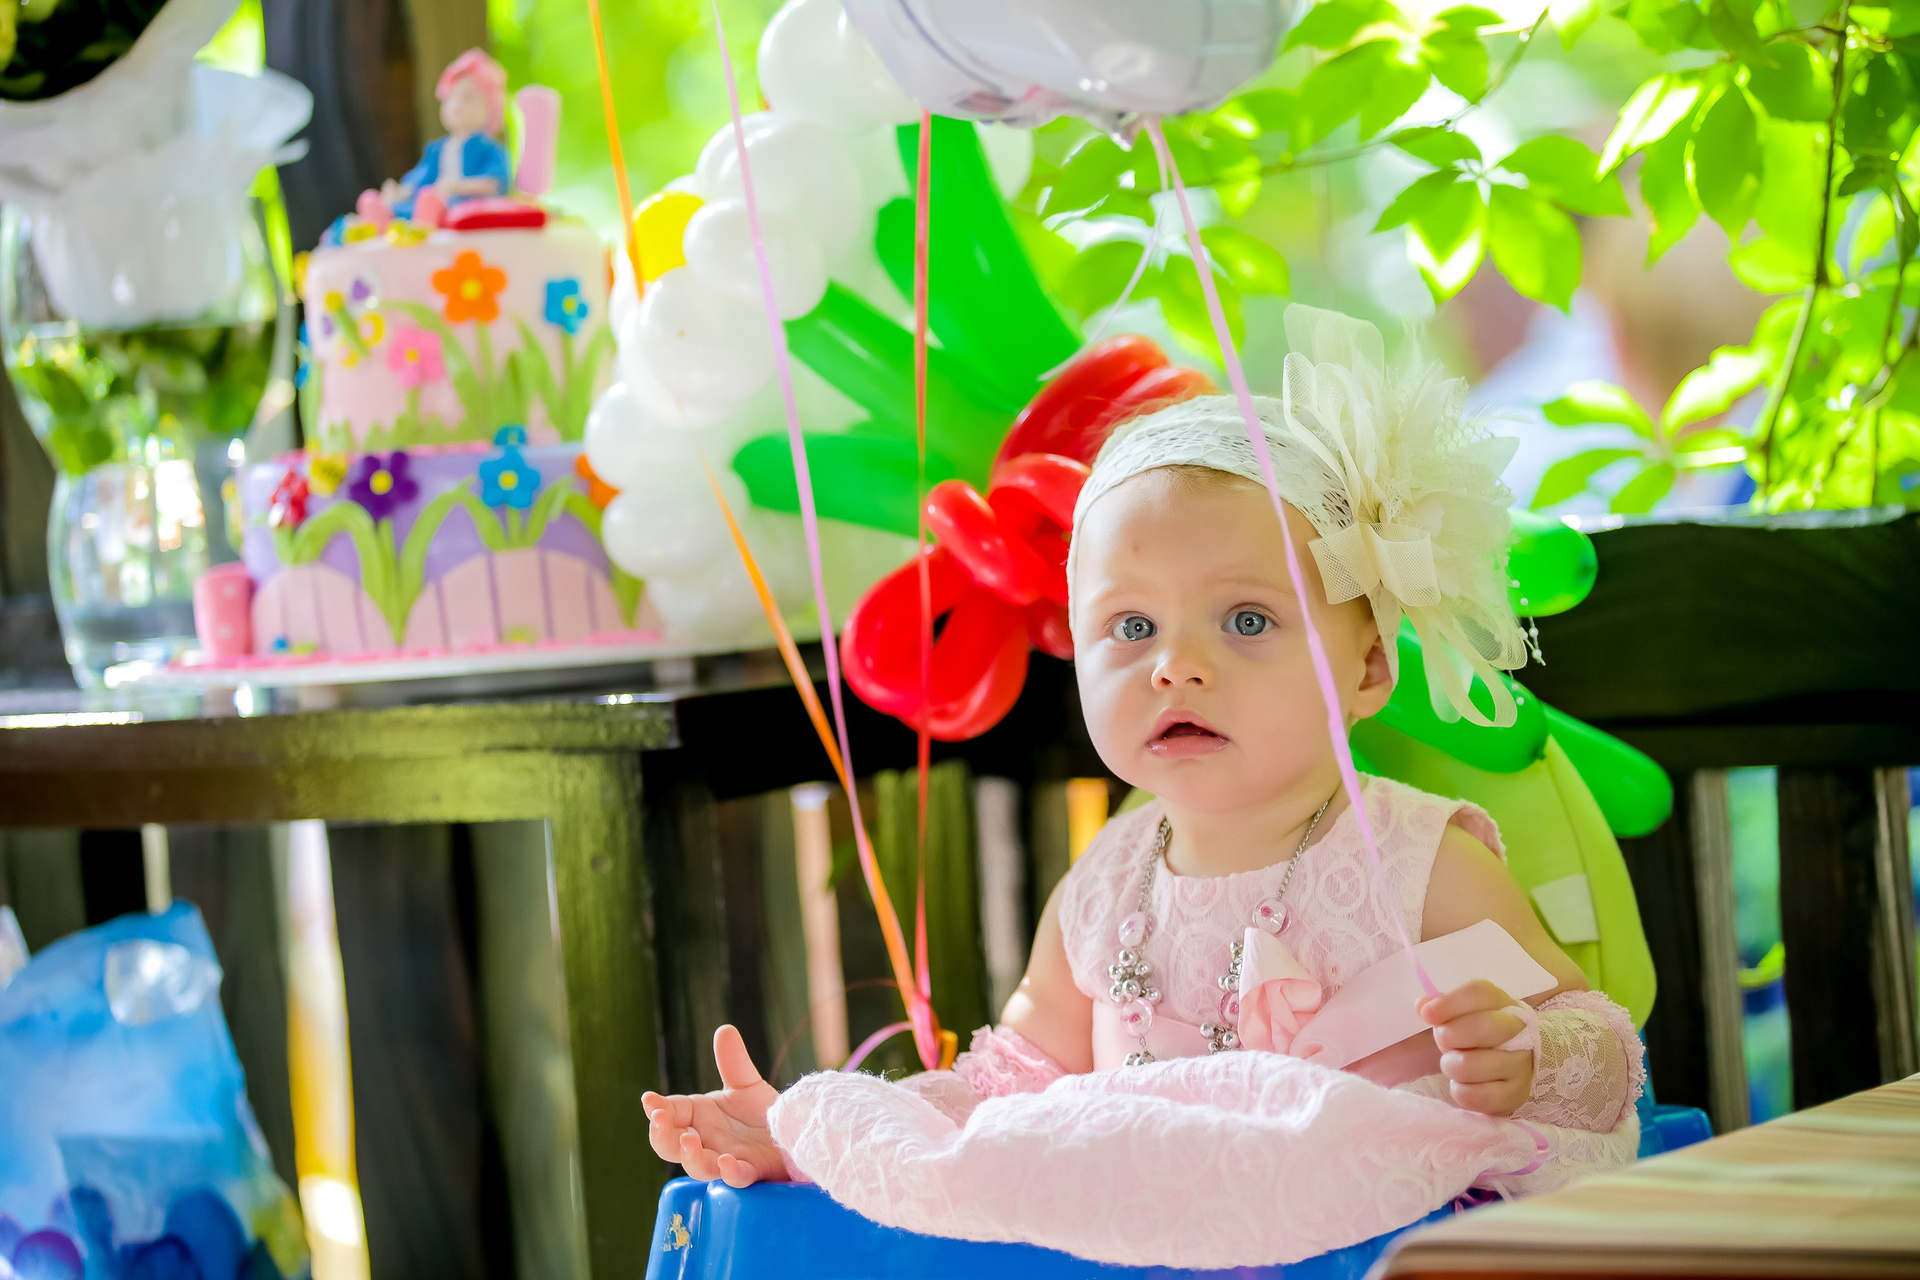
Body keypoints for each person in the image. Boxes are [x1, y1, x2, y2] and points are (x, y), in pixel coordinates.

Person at [643, 306, 1646, 1267]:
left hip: (1362, 1250)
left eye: (1247, 620)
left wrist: (1528, 1051)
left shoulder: (1420, 863)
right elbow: (1002, 1098)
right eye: (1131, 627)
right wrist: (817, 1138)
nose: (1176, 666)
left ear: (1370, 668)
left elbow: (1605, 1046)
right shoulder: (1104, 886)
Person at [377, 50, 513, 224]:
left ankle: (424, 221)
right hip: (433, 201)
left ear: (491, 105)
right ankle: (383, 214)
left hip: (466, 206)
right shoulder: (437, 150)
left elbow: (495, 182)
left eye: (467, 98)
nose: (456, 105)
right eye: (450, 98)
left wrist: (459, 186)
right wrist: (401, 190)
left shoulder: (490, 149)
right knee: (408, 204)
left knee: (437, 205)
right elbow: (421, 177)